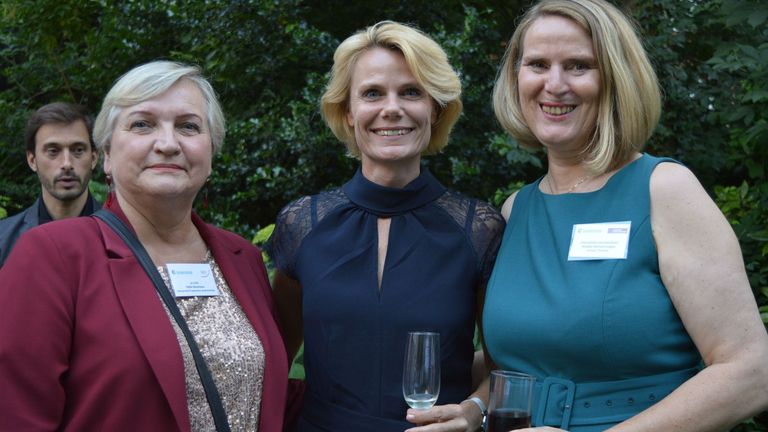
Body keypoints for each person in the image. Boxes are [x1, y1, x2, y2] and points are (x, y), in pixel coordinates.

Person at [482, 0, 768, 430]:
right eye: (538, 64)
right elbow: (516, 360)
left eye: (579, 66)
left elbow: (752, 372)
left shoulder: (664, 190)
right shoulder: (516, 209)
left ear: (616, 79)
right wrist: (471, 408)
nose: (554, 84)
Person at [0, 61, 288, 431]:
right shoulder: (52, 255)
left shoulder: (243, 258)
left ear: (211, 152)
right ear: (106, 155)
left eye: (188, 126)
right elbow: (16, 413)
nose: (167, 144)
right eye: (142, 124)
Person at [267, 21, 505, 431]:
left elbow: (503, 366)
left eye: (411, 92)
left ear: (435, 108)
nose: (391, 108)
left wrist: (474, 410)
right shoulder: (302, 225)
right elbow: (272, 361)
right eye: (372, 93)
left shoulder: (478, 230)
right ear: (348, 111)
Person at [0, 102, 100, 267]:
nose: (67, 163)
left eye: (78, 150)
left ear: (94, 158)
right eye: (53, 151)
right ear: (32, 160)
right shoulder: (3, 240)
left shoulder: (124, 236)